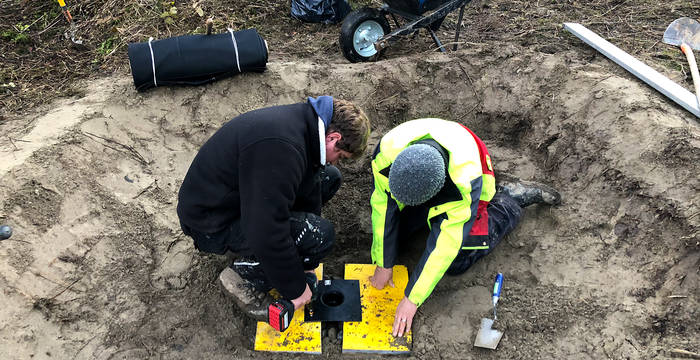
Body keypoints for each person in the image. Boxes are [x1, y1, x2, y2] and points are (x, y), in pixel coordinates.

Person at [177, 96, 370, 320]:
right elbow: (265, 230)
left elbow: (309, 185)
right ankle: (243, 275)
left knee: (329, 178)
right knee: (320, 234)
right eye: (340, 155)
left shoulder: (302, 126)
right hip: (210, 224)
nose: (336, 161)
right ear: (333, 137)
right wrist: (295, 289)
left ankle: (278, 253)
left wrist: (308, 261)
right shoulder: (281, 148)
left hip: (236, 201)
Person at [368, 118, 560, 337]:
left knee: (458, 259)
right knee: (395, 238)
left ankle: (509, 199)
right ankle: (415, 218)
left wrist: (412, 298)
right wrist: (384, 263)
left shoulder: (464, 184)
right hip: (431, 159)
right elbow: (384, 208)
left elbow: (444, 246)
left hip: (470, 166)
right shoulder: (385, 155)